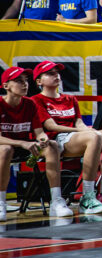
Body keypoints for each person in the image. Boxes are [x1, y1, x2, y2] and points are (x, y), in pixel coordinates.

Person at [32, 60, 102, 211]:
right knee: (94, 137)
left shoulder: (70, 99)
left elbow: (79, 123)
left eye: (57, 73)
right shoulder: (36, 100)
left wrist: (88, 130)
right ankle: (87, 197)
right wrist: (85, 132)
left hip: (74, 137)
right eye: (50, 74)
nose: (56, 76)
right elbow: (51, 126)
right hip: (55, 140)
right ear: (39, 81)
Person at [0, 66, 70, 219]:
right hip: (6, 147)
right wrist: (22, 143)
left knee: (52, 145)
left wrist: (43, 139)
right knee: (5, 149)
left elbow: (39, 132)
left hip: (23, 146)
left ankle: (56, 201)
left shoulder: (30, 104)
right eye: (19, 81)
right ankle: (1, 203)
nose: (25, 84)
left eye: (25, 81)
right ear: (6, 86)